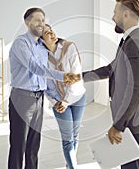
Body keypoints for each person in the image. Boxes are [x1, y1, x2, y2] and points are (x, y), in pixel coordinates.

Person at [82, 0, 139, 169]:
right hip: (138, 119)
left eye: (115, 13)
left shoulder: (136, 43)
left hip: (135, 120)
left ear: (125, 14)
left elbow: (136, 88)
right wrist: (80, 77)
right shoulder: (131, 40)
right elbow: (112, 69)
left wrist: (118, 125)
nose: (112, 17)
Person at [8, 7, 80, 169]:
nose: (41, 23)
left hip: (39, 98)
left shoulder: (42, 46)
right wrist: (63, 76)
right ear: (27, 23)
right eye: (37, 20)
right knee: (19, 144)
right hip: (22, 97)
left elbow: (54, 56)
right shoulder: (21, 43)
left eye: (43, 20)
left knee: (34, 144)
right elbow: (35, 68)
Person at [41, 24, 86, 169]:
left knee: (75, 135)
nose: (52, 33)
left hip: (77, 96)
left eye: (51, 30)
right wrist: (55, 102)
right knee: (67, 138)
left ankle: (69, 165)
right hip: (58, 102)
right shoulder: (42, 57)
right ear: (41, 40)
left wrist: (67, 100)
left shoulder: (69, 47)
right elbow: (46, 84)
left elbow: (76, 75)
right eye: (47, 33)